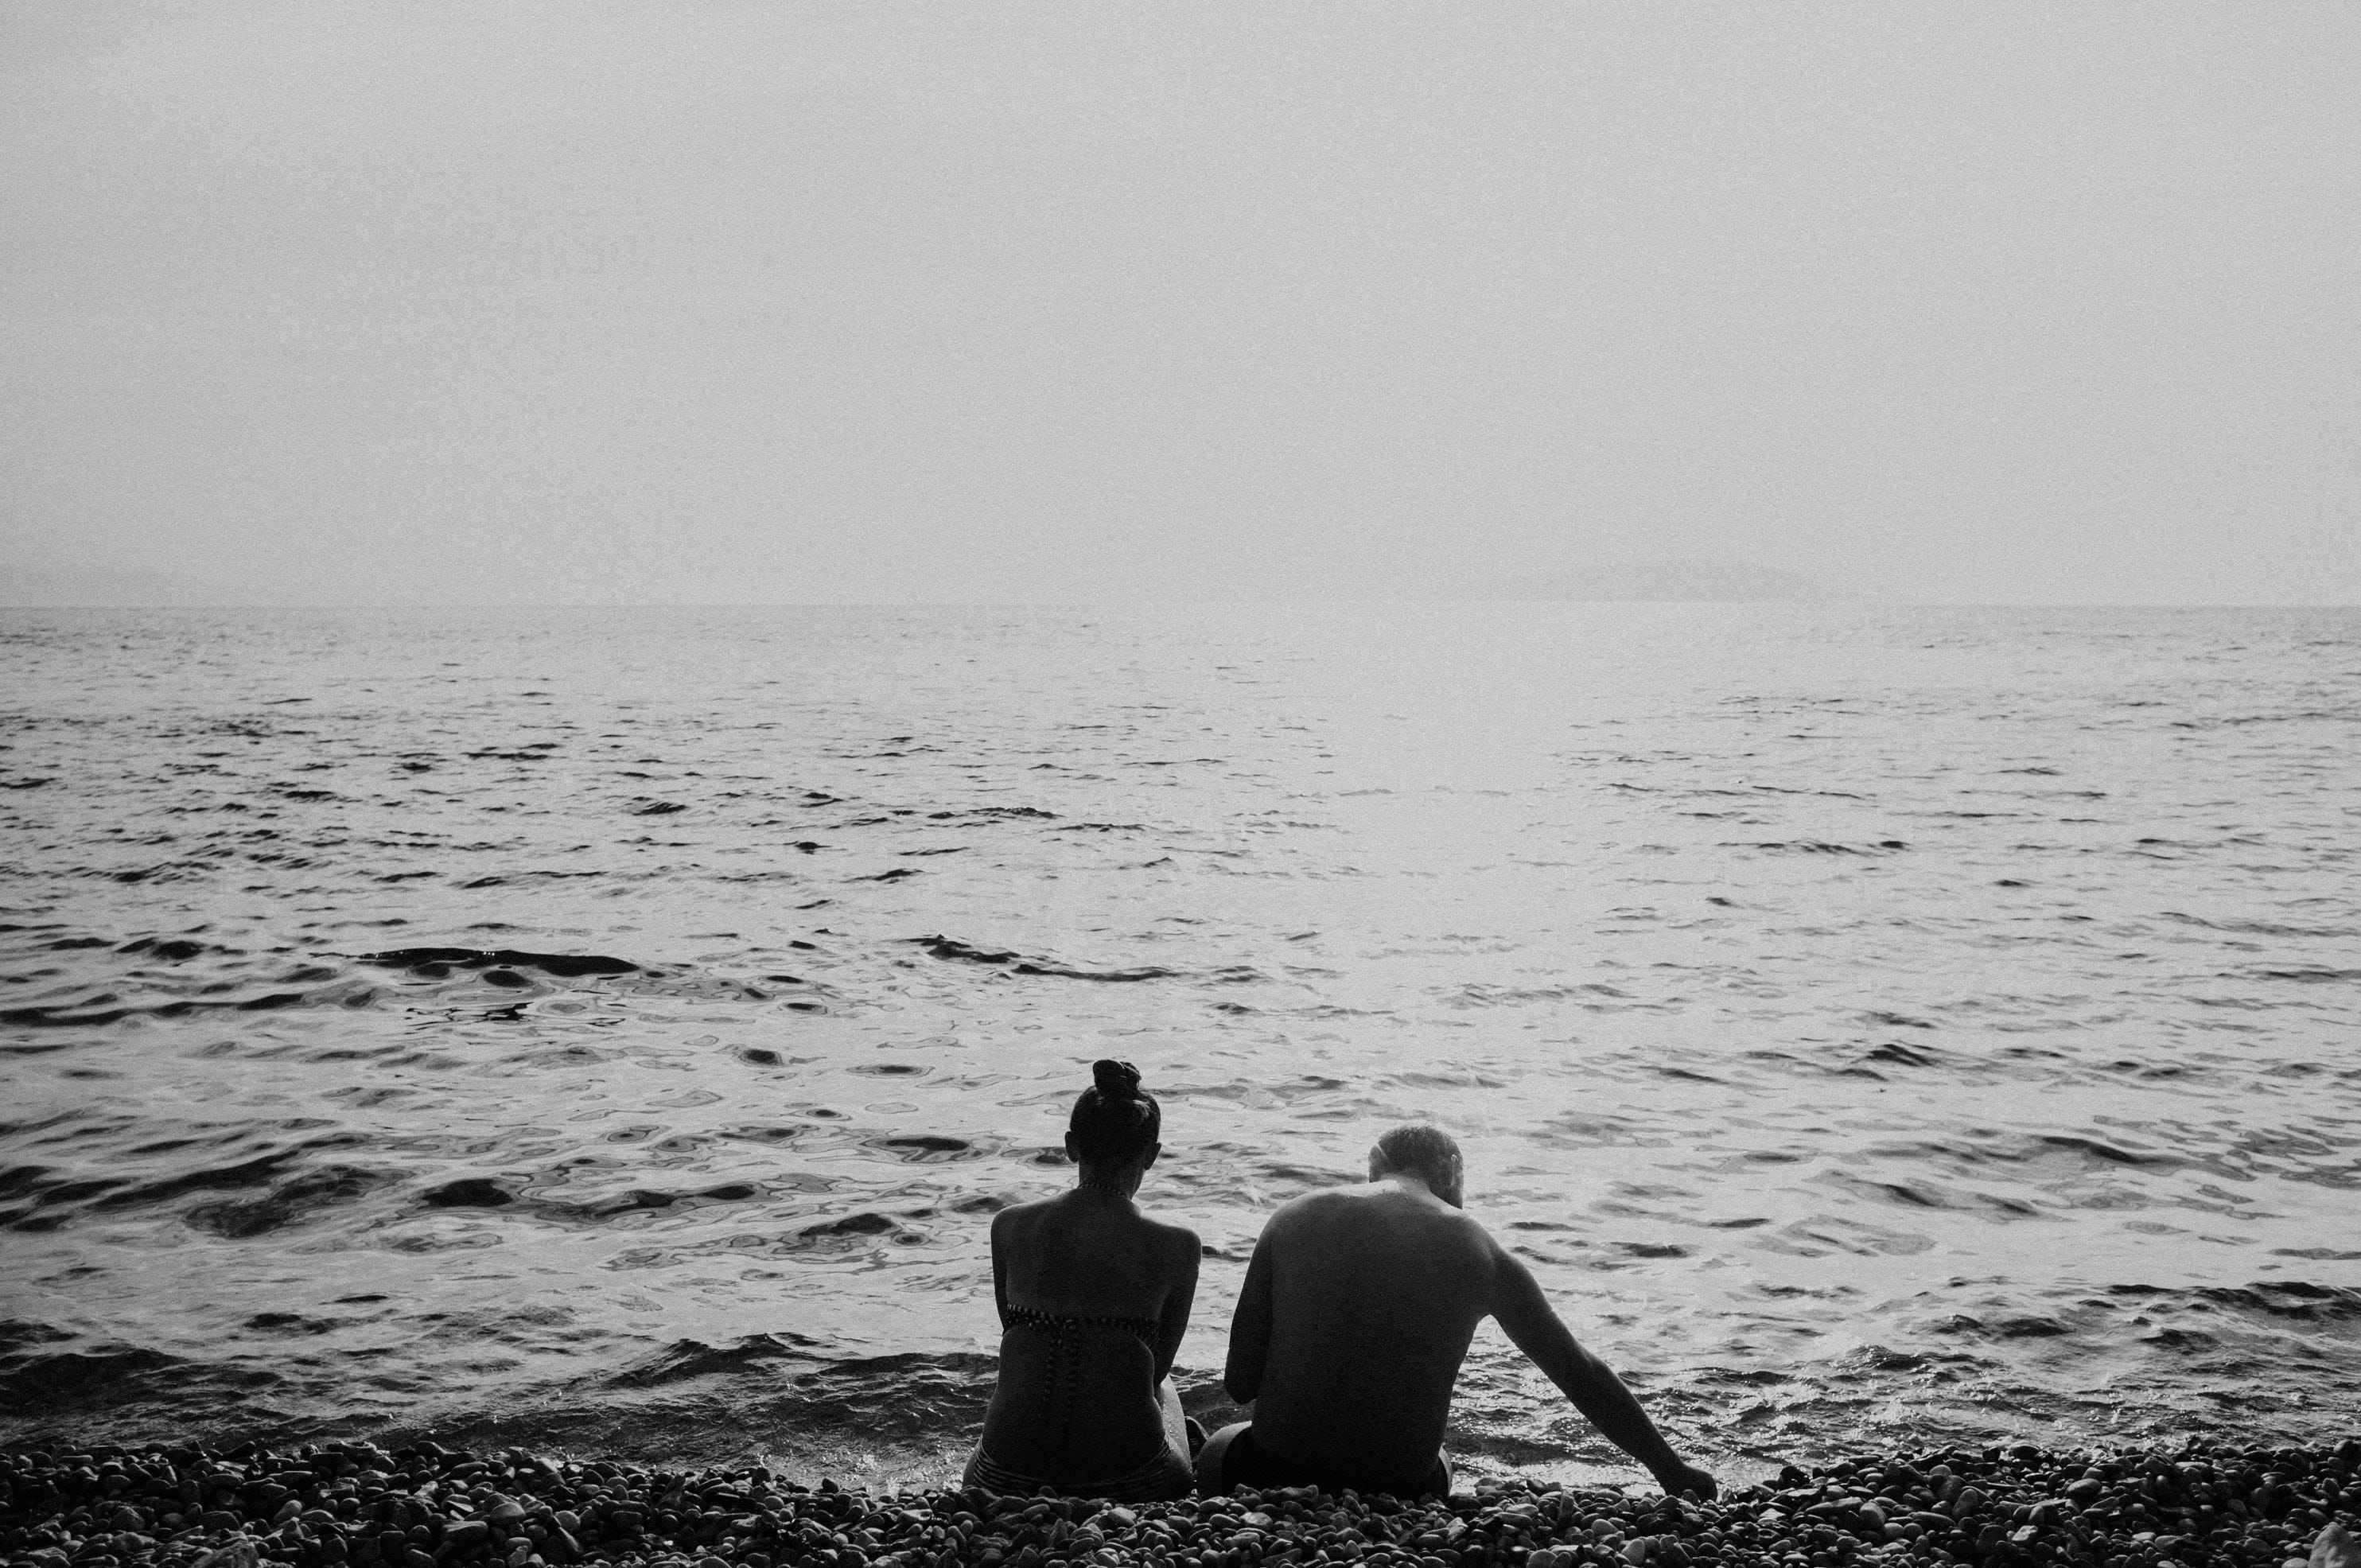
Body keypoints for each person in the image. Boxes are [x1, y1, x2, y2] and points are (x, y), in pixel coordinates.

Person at [1201, 1123, 1717, 1500]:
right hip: (1402, 1489)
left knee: (1219, 1442)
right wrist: (1671, 1470)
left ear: (1374, 1168)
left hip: (1270, 1473)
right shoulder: (1483, 1251)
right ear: (1451, 1173)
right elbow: (1581, 1373)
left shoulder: (1292, 1216)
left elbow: (1240, 1382)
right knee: (1443, 1457)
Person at [964, 1060, 1203, 1501]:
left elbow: (1016, 1333)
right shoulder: (1179, 1245)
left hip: (1000, 1477)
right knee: (1159, 1380)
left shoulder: (1008, 1226)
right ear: (1151, 1155)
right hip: (1130, 1482)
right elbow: (1158, 1370)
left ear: (1072, 1146)